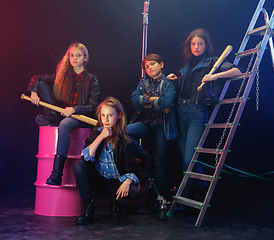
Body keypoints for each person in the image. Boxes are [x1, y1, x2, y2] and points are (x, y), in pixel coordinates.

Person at [167, 28, 241, 201]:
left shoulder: (212, 62)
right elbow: (187, 85)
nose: (196, 47)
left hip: (196, 112)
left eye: (200, 44)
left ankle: (193, 194)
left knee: (189, 158)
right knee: (187, 161)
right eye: (193, 44)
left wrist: (215, 77)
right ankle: (197, 193)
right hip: (180, 111)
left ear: (206, 45)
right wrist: (176, 78)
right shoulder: (187, 63)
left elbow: (237, 72)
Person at [27, 42, 100, 186]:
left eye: (78, 55)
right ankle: (51, 116)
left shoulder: (92, 79)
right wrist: (33, 92)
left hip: (79, 117)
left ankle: (57, 174)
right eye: (72, 55)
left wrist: (74, 109)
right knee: (41, 84)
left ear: (85, 58)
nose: (74, 58)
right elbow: (37, 78)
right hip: (61, 114)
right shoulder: (62, 76)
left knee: (65, 123)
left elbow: (92, 106)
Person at [73, 97, 145, 225]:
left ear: (119, 116)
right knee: (79, 166)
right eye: (103, 115)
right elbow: (86, 157)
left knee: (133, 193)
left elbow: (132, 167)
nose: (105, 120)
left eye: (110, 115)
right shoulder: (97, 132)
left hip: (115, 183)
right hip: (98, 180)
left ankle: (116, 201)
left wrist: (128, 181)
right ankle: (88, 210)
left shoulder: (126, 141)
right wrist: (101, 136)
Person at [128, 54, 178, 214]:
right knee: (125, 132)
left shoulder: (169, 82)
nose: (149, 68)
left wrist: (148, 101)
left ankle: (154, 199)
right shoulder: (143, 82)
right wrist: (156, 100)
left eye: (152, 64)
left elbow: (168, 101)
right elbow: (135, 100)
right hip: (146, 123)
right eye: (147, 66)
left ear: (161, 64)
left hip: (162, 126)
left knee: (159, 161)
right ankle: (143, 156)